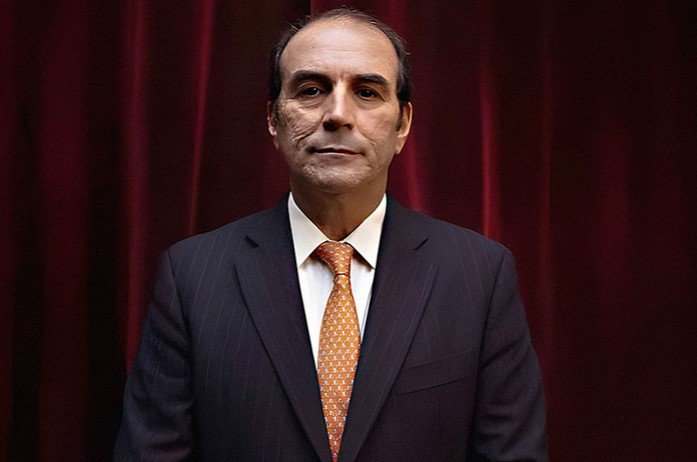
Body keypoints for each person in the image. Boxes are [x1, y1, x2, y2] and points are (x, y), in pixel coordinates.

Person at [114, 7, 547, 462]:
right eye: (311, 90)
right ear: (273, 119)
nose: (338, 114)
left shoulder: (479, 275)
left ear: (402, 124)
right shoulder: (192, 276)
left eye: (366, 92)